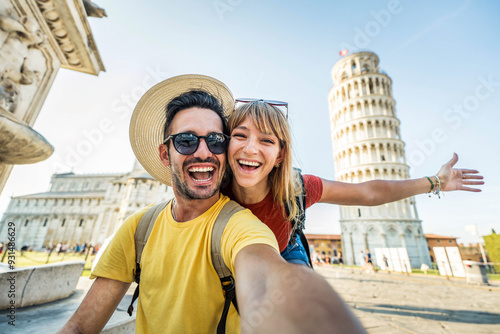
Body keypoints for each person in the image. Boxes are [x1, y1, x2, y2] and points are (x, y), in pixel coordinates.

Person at [58, 75, 365, 334]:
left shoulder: (240, 226)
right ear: (166, 154)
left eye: (216, 140)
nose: (203, 152)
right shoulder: (139, 228)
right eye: (187, 141)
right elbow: (80, 327)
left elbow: (269, 283)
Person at [224, 100, 484, 267]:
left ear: (281, 155)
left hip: (285, 252)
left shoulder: (298, 189)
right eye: (240, 135)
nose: (250, 149)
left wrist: (436, 181)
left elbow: (369, 193)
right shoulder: (214, 191)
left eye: (266, 141)